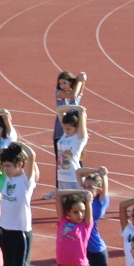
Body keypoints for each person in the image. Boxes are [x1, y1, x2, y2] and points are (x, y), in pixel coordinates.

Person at [0, 142, 38, 266]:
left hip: (20, 233)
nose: (5, 169)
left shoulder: (26, 180)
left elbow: (32, 155)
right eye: (4, 166)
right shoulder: (8, 177)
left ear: (20, 165)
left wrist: (17, 144)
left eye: (8, 166)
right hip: (4, 230)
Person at [45, 70, 86, 199]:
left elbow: (79, 91)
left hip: (76, 132)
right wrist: (79, 81)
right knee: (60, 160)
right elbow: (73, 94)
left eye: (64, 83)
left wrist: (82, 79)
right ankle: (58, 188)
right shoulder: (59, 93)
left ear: (70, 82)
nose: (62, 85)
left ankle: (83, 186)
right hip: (60, 131)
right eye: (60, 83)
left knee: (77, 159)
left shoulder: (77, 95)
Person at [48, 105, 88, 196]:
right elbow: (59, 109)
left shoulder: (79, 138)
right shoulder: (65, 135)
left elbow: (82, 119)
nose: (65, 131)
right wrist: (73, 107)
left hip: (73, 178)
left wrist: (81, 113)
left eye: (69, 129)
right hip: (62, 177)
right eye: (64, 128)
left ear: (77, 127)